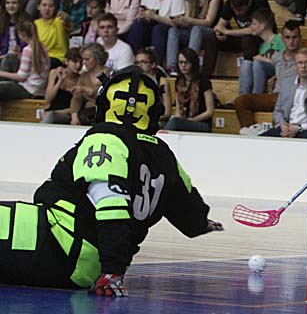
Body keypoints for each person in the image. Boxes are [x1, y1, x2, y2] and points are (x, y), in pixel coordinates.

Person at [0, 65, 223, 294]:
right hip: (83, 259)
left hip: (62, 245)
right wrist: (205, 224)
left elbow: (111, 207)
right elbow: (190, 213)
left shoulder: (106, 139)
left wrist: (112, 272)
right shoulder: (165, 155)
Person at [235, 20, 302, 135]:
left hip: (292, 97)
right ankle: (250, 130)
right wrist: (274, 78)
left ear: (300, 38)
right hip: (275, 96)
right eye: (287, 37)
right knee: (241, 101)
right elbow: (279, 71)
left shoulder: (305, 58)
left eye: (294, 37)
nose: (291, 41)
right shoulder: (277, 57)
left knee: (282, 111)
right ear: (282, 38)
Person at [209, 0, 272, 94]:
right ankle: (207, 75)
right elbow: (220, 25)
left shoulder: (259, 1)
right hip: (240, 37)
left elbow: (254, 30)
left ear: (248, 4)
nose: (237, 13)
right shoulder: (230, 3)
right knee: (211, 37)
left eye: (240, 10)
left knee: (248, 39)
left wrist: (227, 32)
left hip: (258, 38)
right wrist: (219, 33)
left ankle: (246, 92)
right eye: (234, 9)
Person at [166, 0, 223, 72]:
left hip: (210, 32)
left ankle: (190, 63)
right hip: (193, 31)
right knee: (173, 30)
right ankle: (171, 67)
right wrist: (180, 21)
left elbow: (208, 22)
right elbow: (188, 20)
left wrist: (189, 20)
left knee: (197, 29)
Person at [127, 0, 186, 65]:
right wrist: (143, 16)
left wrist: (155, 17)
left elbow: (176, 22)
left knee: (158, 29)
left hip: (169, 27)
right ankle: (136, 60)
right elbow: (142, 12)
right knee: (137, 27)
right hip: (150, 24)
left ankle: (157, 64)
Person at [260, 48, 307, 138]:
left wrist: (299, 128)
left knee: (301, 140)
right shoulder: (286, 83)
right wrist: (282, 124)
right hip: (286, 126)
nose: (303, 66)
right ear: (295, 65)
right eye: (300, 63)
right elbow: (278, 110)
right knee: (261, 139)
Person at [163, 48, 215, 132]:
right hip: (185, 121)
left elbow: (210, 111)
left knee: (175, 122)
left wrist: (192, 120)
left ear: (193, 63)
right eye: (180, 62)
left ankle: (159, 137)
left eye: (186, 62)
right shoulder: (179, 81)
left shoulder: (203, 81)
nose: (183, 65)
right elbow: (178, 111)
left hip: (201, 123)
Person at [0, 20, 50, 100]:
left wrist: (1, 73)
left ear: (22, 34)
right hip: (36, 86)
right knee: (10, 57)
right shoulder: (42, 45)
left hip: (29, 90)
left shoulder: (28, 50)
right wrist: (20, 55)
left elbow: (21, 77)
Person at [69, 43, 111, 126]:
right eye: (83, 59)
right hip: (86, 115)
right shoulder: (83, 76)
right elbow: (77, 98)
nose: (83, 62)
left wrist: (92, 92)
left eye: (87, 59)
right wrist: (74, 116)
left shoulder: (110, 75)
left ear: (97, 59)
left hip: (105, 113)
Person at [41, 48, 82, 124]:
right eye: (75, 62)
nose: (78, 65)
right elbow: (48, 98)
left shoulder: (81, 79)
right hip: (51, 111)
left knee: (51, 115)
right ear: (66, 61)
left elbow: (76, 108)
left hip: (67, 115)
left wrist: (55, 112)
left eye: (81, 62)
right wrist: (59, 81)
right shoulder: (54, 73)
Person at [34, 0, 72, 68]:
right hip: (40, 58)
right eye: (44, 5)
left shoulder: (59, 21)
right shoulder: (35, 24)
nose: (47, 8)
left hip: (58, 59)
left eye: (50, 6)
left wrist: (66, 17)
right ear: (38, 7)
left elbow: (68, 22)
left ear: (55, 8)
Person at [135, 48, 172, 123]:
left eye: (143, 62)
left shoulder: (161, 82)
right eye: (137, 62)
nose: (139, 65)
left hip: (158, 120)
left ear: (153, 64)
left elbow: (167, 112)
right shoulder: (135, 82)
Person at [0, 0, 28, 72]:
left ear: (20, 4)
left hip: (20, 58)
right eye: (8, 3)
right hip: (3, 56)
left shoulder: (27, 22)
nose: (11, 6)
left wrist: (20, 51)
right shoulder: (1, 21)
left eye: (14, 3)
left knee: (9, 59)